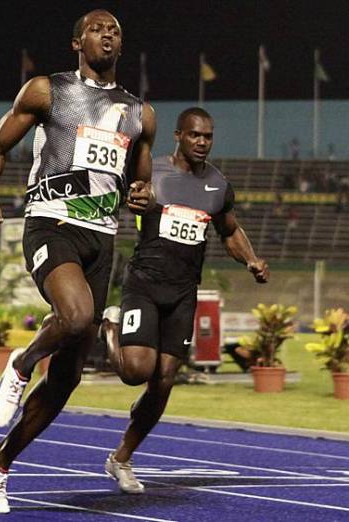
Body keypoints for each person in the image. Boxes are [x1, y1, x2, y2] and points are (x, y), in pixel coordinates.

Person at [0, 10, 155, 514]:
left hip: (102, 238)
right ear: (78, 42)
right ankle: (20, 362)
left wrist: (142, 193)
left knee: (69, 377)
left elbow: (140, 182)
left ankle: (0, 461)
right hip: (51, 224)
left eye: (116, 28)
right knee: (74, 317)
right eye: (98, 28)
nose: (109, 33)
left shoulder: (139, 113)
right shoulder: (46, 91)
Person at [99, 107, 269, 494]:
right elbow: (130, 199)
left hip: (182, 293)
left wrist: (252, 260)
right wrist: (134, 200)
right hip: (144, 282)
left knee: (164, 382)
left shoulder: (218, 185)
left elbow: (230, 231)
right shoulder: (153, 173)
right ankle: (109, 325)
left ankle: (121, 459)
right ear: (178, 135)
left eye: (208, 136)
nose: (202, 142)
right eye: (195, 135)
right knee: (135, 372)